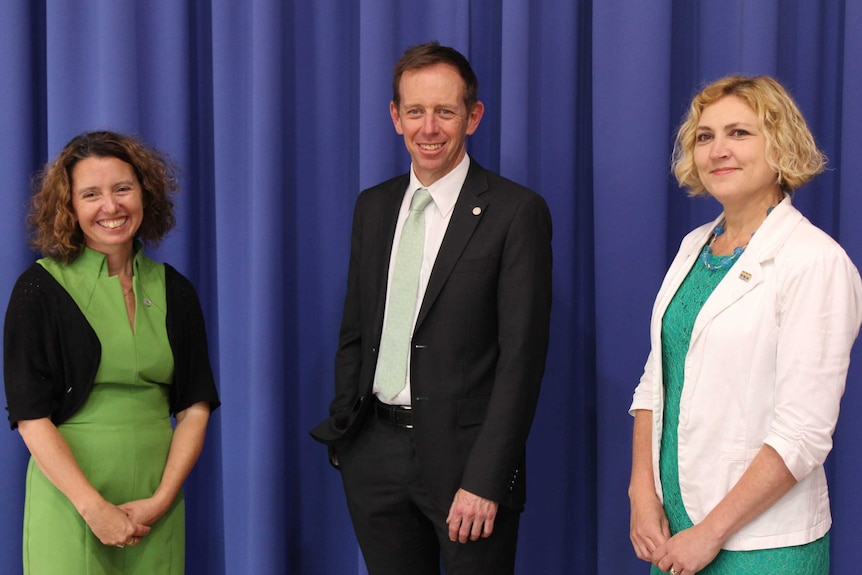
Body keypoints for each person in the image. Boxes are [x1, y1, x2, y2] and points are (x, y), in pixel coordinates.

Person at [311, 42, 552, 574]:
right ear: (396, 117)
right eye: (415, 111)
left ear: (473, 116)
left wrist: (488, 478)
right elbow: (355, 329)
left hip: (468, 466)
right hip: (373, 453)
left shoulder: (516, 213)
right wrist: (347, 435)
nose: (430, 128)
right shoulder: (373, 207)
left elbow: (522, 361)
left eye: (445, 111)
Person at [628, 75, 862, 575]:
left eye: (739, 133)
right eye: (705, 136)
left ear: (780, 145)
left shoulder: (815, 262)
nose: (718, 150)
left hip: (761, 545)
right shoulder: (694, 247)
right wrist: (642, 494)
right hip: (675, 532)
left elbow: (803, 433)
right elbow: (657, 380)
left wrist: (709, 535)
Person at [3, 130, 221, 575]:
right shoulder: (39, 289)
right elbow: (30, 416)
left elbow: (196, 406)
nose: (111, 206)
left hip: (154, 506)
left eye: (123, 188)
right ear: (69, 206)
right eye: (91, 194)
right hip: (71, 501)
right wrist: (94, 508)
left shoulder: (174, 289)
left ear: (145, 193)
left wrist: (160, 501)